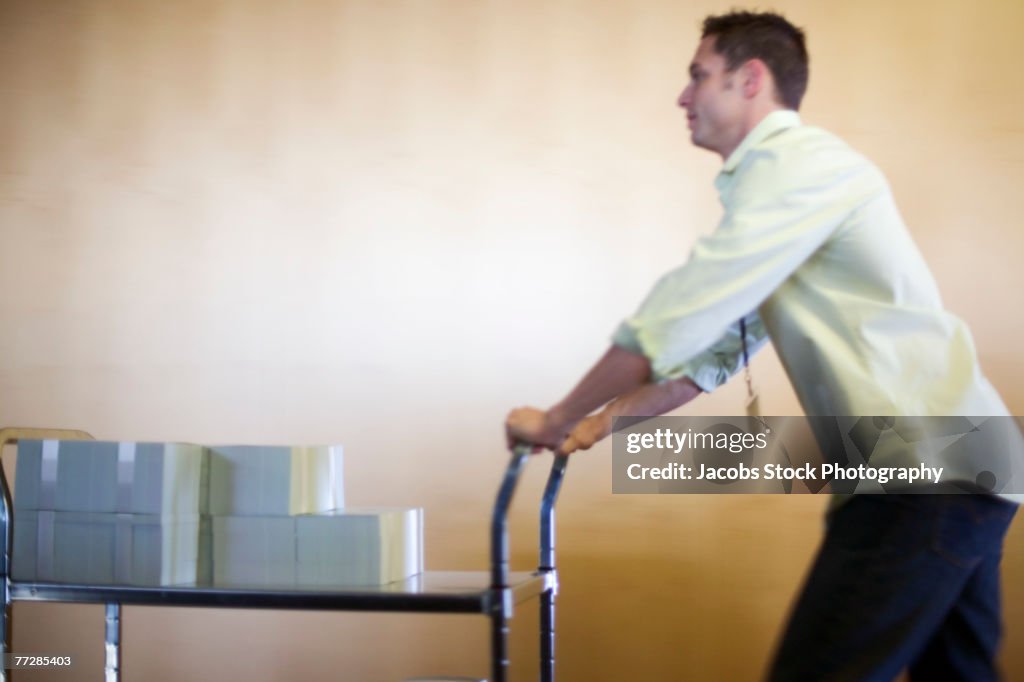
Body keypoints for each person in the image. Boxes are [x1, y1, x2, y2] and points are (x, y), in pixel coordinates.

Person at [505, 11, 1020, 681]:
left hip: (922, 465)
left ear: (750, 79)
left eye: (698, 76)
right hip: (964, 459)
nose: (683, 96)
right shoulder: (783, 192)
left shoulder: (800, 167)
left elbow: (680, 309)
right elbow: (712, 354)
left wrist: (557, 415)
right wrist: (604, 422)